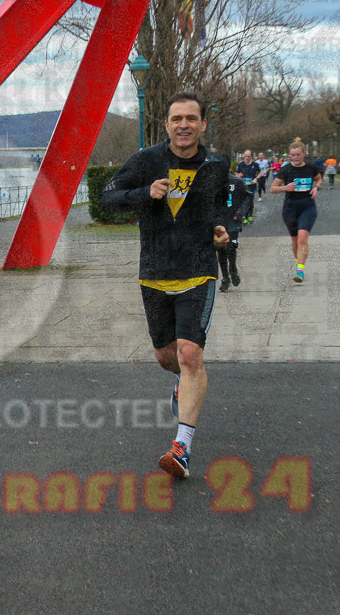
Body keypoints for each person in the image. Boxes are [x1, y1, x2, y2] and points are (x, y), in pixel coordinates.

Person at [100, 91, 230, 479]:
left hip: (199, 269)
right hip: (155, 271)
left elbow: (223, 208)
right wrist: (145, 194)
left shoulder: (216, 164)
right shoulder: (146, 160)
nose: (184, 125)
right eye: (177, 119)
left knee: (191, 354)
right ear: (167, 124)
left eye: (192, 118)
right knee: (166, 357)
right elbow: (107, 198)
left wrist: (225, 230)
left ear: (203, 124)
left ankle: (182, 447)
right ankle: (180, 381)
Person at [271, 141, 322, 283]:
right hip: (290, 208)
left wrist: (316, 188)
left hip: (308, 207)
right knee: (295, 242)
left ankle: (300, 271)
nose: (296, 158)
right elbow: (273, 188)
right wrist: (285, 188)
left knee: (302, 239)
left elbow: (318, 180)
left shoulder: (311, 167)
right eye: (293, 155)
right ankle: (299, 261)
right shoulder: (285, 170)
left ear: (304, 154)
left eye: (298, 155)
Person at [218, 164, 250, 292]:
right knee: (220, 249)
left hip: (233, 218)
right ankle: (225, 278)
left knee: (230, 247)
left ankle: (233, 269)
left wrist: (241, 212)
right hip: (219, 220)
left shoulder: (237, 182)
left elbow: (248, 197)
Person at [235, 150, 260, 224]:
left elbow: (260, 173)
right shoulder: (241, 165)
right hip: (243, 186)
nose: (247, 158)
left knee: (250, 201)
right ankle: (245, 217)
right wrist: (238, 175)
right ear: (244, 156)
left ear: (251, 156)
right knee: (244, 201)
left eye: (248, 156)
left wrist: (256, 178)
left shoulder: (255, 164)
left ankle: (250, 215)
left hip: (251, 185)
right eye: (245, 156)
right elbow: (236, 173)